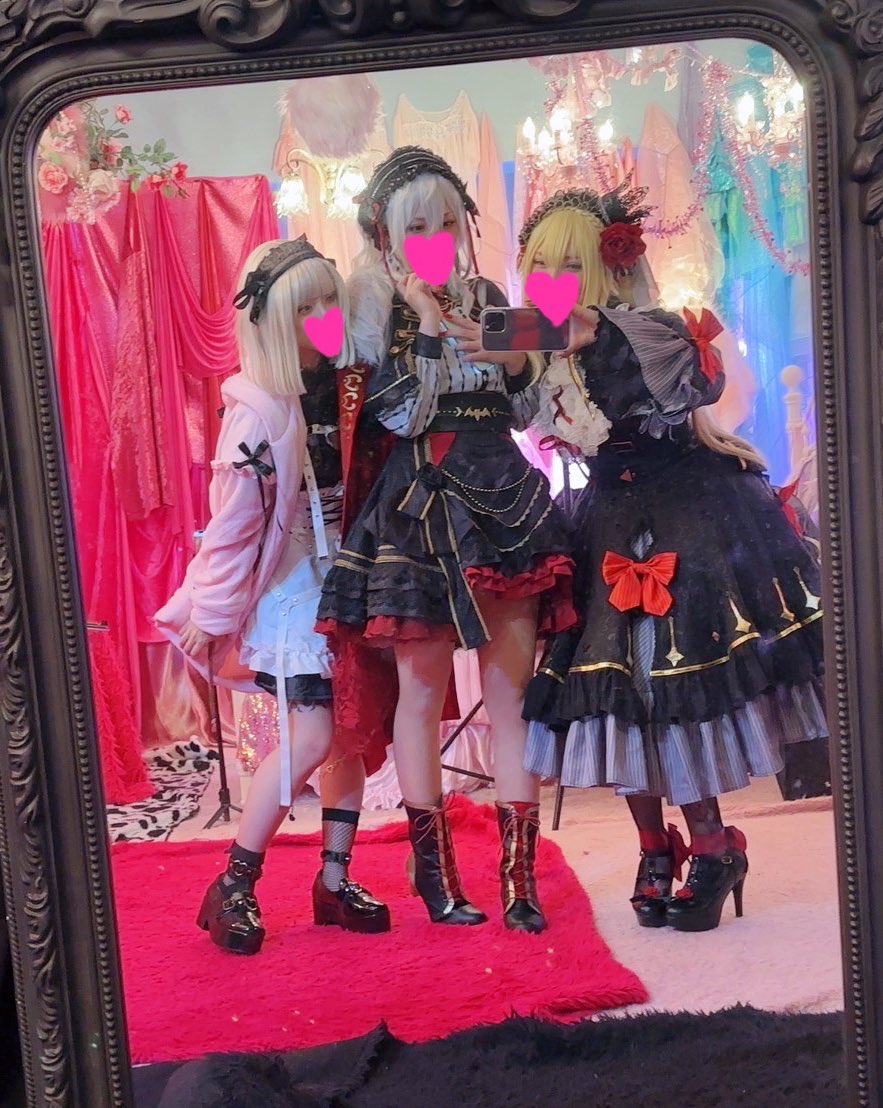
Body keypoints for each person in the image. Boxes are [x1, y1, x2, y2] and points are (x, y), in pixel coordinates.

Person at [519, 184, 827, 933]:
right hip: (604, 521)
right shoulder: (539, 352)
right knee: (613, 690)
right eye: (540, 267)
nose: (553, 282)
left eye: (570, 265)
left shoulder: (650, 331)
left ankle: (715, 847)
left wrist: (546, 329)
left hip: (689, 520)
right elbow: (514, 376)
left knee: (672, 682)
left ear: (612, 265)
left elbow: (667, 362)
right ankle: (655, 848)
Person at [316, 146, 577, 934]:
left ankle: (518, 879)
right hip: (419, 506)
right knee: (422, 696)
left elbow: (531, 406)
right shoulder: (370, 309)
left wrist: (516, 356)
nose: (433, 239)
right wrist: (428, 329)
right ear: (386, 234)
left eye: (444, 222)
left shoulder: (492, 297)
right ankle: (435, 878)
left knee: (511, 696)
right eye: (415, 226)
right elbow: (399, 416)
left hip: (504, 502)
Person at [155, 237, 390, 955]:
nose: (324, 316)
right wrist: (211, 610)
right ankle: (233, 884)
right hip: (293, 587)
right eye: (304, 307)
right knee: (312, 736)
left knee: (349, 735)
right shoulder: (256, 410)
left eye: (329, 300)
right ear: (274, 322)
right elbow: (233, 526)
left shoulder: (346, 381)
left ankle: (334, 879)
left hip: (349, 574)